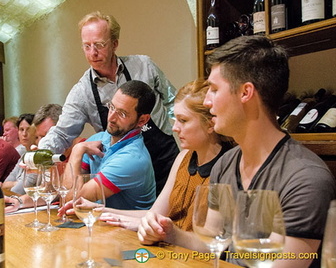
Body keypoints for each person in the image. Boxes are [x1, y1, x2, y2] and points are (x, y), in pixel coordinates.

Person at [137, 35, 336, 268]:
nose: (208, 102)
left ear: (245, 93)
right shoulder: (226, 164)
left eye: (213, 89)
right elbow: (210, 243)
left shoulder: (305, 179)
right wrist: (170, 234)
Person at [38, 11, 179, 195]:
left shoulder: (144, 65)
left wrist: (182, 131)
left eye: (99, 45)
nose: (93, 53)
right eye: (86, 46)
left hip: (165, 159)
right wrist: (39, 155)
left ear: (115, 44)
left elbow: (173, 101)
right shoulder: (82, 92)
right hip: (123, 170)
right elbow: (62, 133)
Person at [99, 80, 232, 231]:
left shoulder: (227, 167)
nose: (175, 128)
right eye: (175, 120)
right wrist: (99, 210)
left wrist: (166, 232)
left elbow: (210, 243)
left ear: (209, 124)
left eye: (183, 120)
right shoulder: (183, 158)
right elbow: (154, 214)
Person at [7, 80, 157, 213]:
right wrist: (21, 202)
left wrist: (78, 150)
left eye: (122, 114)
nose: (111, 117)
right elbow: (63, 189)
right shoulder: (101, 138)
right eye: (112, 107)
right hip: (98, 226)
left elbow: (72, 197)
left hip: (127, 237)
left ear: (142, 120)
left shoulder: (132, 158)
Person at [2, 114, 37, 194]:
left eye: (28, 130)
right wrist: (16, 183)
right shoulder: (24, 155)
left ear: (35, 131)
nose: (24, 134)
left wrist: (13, 184)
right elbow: (5, 184)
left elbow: (17, 191)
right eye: (21, 129)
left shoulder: (36, 156)